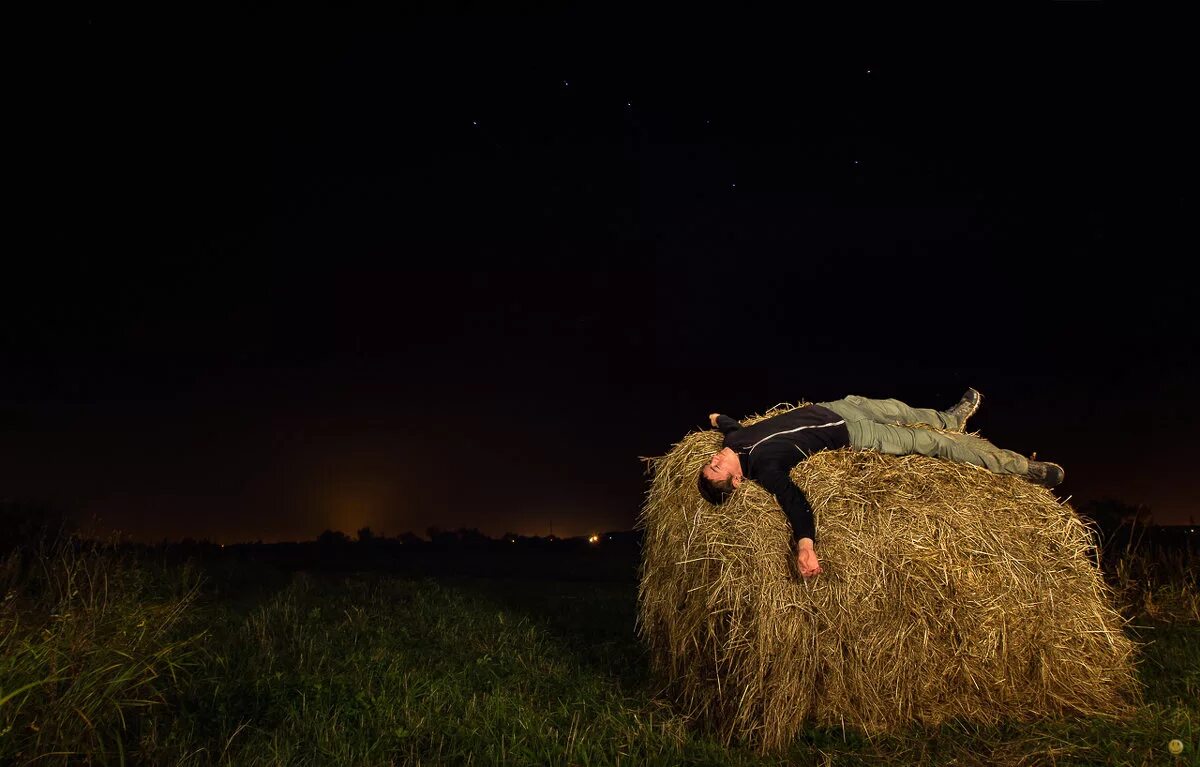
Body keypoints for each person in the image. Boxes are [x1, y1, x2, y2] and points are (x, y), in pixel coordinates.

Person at [697, 389, 1064, 579]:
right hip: (854, 431)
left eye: (709, 464)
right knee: (933, 445)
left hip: (839, 406)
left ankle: (949, 418)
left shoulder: (734, 439)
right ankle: (1021, 469)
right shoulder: (766, 467)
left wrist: (719, 417)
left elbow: (731, 425)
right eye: (716, 470)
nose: (713, 461)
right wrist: (805, 545)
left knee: (901, 409)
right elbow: (794, 501)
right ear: (738, 480)